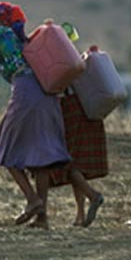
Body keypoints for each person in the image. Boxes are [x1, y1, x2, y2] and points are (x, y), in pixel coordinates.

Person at [0, 1, 71, 229]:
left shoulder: (1, 33)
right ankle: (42, 218)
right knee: (40, 155)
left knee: (7, 146)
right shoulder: (24, 40)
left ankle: (32, 200)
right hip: (47, 93)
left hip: (26, 91)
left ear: (2, 20)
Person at [49, 87, 106, 227]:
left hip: (69, 105)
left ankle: (92, 195)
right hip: (88, 104)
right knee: (76, 162)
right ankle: (80, 214)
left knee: (65, 161)